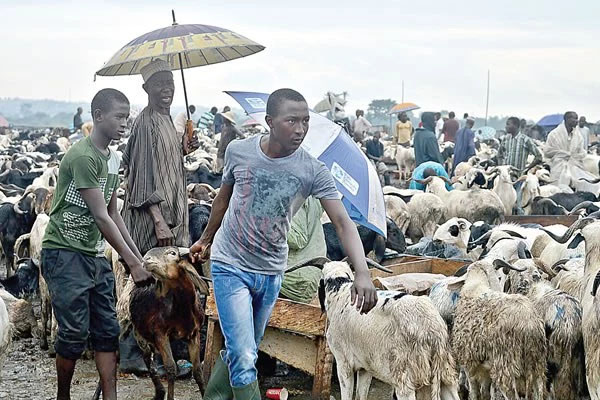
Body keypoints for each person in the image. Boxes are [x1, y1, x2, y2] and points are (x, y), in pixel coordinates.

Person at [190, 88, 378, 400]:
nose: (301, 129)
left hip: (271, 270)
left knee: (244, 348)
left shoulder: (312, 170)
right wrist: (206, 239)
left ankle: (214, 396)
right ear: (270, 122)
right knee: (245, 355)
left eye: (305, 122)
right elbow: (223, 197)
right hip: (230, 264)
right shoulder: (239, 151)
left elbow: (343, 222)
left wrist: (362, 272)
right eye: (292, 121)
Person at [41, 89, 153, 400]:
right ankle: (63, 394)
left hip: (93, 255)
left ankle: (111, 397)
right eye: (119, 117)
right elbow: (101, 217)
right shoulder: (82, 156)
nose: (124, 124)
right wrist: (130, 263)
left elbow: (115, 212)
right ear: (99, 116)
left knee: (107, 332)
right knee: (74, 333)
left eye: (127, 118)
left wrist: (139, 258)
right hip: (64, 252)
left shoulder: (114, 159)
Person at [119, 59, 197, 374]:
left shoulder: (166, 120)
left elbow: (166, 164)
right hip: (153, 220)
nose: (167, 89)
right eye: (160, 84)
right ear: (146, 88)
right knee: (144, 283)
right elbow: (139, 177)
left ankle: (162, 352)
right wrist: (157, 218)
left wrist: (184, 147)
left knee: (166, 285)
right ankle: (130, 352)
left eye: (170, 83)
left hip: (171, 216)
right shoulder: (146, 123)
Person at [279, 196, 326, 303]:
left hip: (293, 276)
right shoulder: (311, 194)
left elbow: (298, 239)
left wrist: (270, 225)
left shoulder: (295, 194)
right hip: (306, 275)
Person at [544, 111, 599, 192]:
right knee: (557, 190)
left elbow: (581, 152)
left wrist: (577, 156)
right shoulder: (554, 134)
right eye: (575, 118)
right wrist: (563, 154)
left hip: (575, 166)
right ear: (567, 119)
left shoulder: (578, 135)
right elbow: (547, 152)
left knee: (588, 184)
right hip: (558, 167)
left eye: (577, 118)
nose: (577, 121)